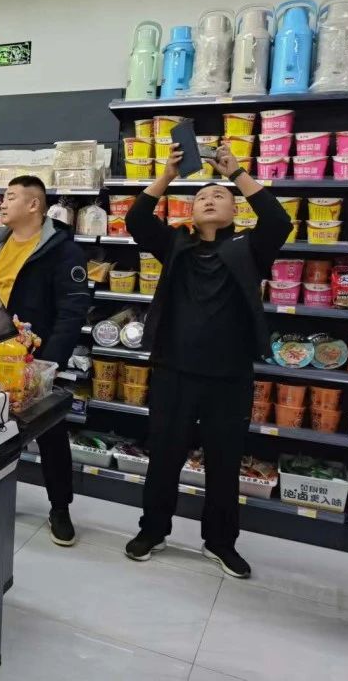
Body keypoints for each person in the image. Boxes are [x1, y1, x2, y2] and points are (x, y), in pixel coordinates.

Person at [124, 146, 290, 578]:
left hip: (230, 376)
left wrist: (236, 173)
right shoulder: (175, 244)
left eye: (219, 196)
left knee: (224, 463)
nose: (210, 200)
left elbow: (278, 221)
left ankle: (220, 542)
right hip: (173, 371)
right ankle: (152, 530)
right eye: (201, 197)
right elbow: (137, 220)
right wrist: (167, 174)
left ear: (235, 210)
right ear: (191, 213)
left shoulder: (249, 247)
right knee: (164, 457)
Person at [0, 175, 91, 547]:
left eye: (10, 196)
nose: (2, 203)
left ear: (33, 205)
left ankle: (60, 507)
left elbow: (73, 311)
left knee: (50, 434)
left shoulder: (62, 251)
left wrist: (50, 364)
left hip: (37, 360)